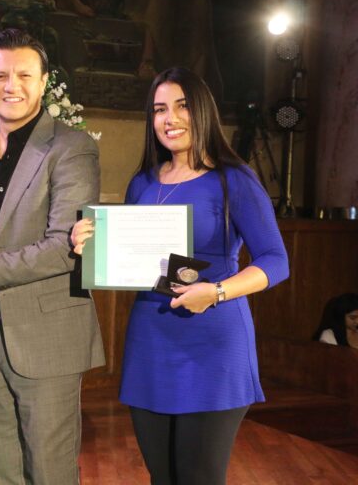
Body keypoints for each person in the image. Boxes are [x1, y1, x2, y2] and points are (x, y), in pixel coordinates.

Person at [72, 66, 289, 485]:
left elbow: (276, 260)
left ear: (202, 111)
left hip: (213, 342)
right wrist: (87, 241)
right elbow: (128, 258)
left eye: (181, 106)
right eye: (158, 109)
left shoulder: (234, 180)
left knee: (198, 477)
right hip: (151, 341)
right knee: (162, 476)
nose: (169, 119)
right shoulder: (142, 184)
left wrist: (219, 291)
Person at [0, 28, 104, 484]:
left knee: (48, 469)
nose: (13, 86)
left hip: (46, 333)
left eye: (24, 74)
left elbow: (63, 248)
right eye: (1, 75)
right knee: (0, 468)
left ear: (44, 81)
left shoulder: (71, 148)